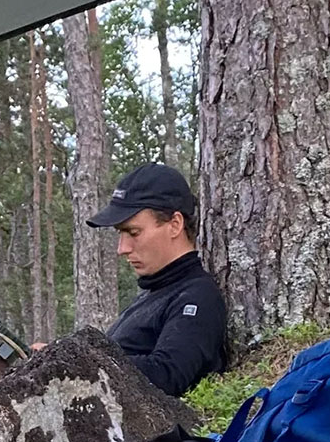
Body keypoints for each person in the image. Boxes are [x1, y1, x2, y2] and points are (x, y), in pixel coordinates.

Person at [86, 163, 226, 396]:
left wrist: (79, 363)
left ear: (175, 225)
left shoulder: (197, 297)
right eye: (120, 234)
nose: (122, 248)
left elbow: (167, 375)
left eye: (133, 232)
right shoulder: (153, 294)